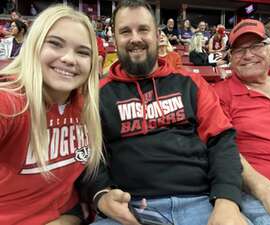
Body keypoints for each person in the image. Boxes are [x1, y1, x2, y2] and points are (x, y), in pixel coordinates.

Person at [82, 1, 251, 225]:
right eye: (125, 31)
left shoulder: (191, 83)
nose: (135, 38)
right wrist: (101, 195)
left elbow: (222, 141)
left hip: (202, 202)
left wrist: (227, 200)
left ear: (156, 34)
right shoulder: (98, 94)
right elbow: (90, 158)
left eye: (143, 29)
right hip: (130, 211)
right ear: (114, 37)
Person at [0, 4, 103, 225]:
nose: (69, 58)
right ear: (34, 46)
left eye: (83, 52)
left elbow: (69, 195)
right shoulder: (9, 102)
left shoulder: (87, 109)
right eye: (55, 44)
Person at [214, 19, 270, 225]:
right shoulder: (219, 94)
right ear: (231, 58)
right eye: (239, 50)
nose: (248, 55)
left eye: (255, 46)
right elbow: (221, 150)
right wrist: (267, 191)